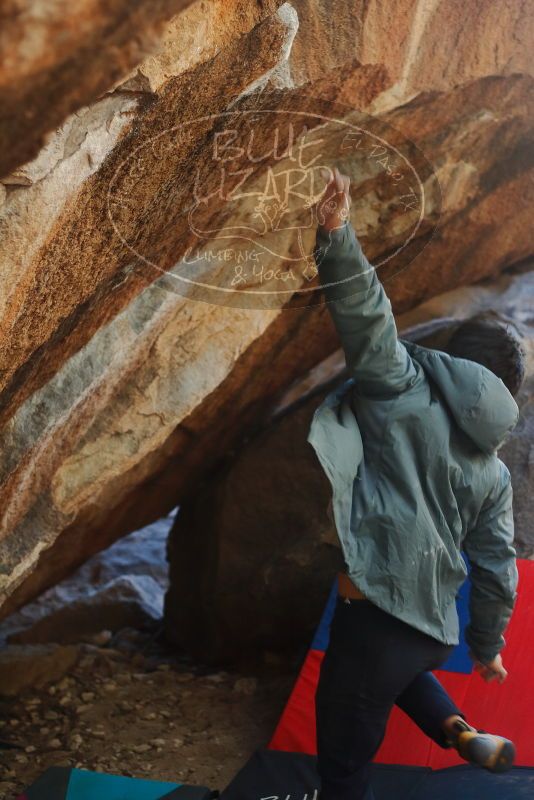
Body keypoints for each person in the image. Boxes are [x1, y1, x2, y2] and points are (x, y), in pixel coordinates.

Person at [308, 167, 525, 800]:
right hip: (430, 631)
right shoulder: (494, 472)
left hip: (371, 620)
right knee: (395, 671)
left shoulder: (401, 387)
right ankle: (460, 732)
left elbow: (367, 317)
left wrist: (337, 232)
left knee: (341, 771)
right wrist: (487, 649)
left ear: (453, 357)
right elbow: (497, 569)